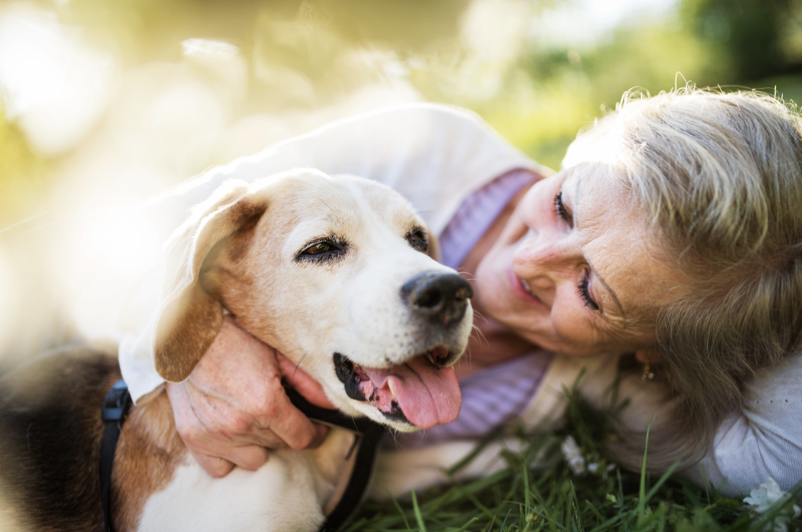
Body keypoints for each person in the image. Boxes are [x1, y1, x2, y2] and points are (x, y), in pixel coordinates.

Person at [109, 88, 802, 498]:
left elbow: (783, 455)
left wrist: (772, 288)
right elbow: (123, 235)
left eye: (591, 292)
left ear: (651, 348)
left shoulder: (610, 386)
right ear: (579, 151)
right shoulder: (428, 147)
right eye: (563, 205)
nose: (527, 263)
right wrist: (180, 353)